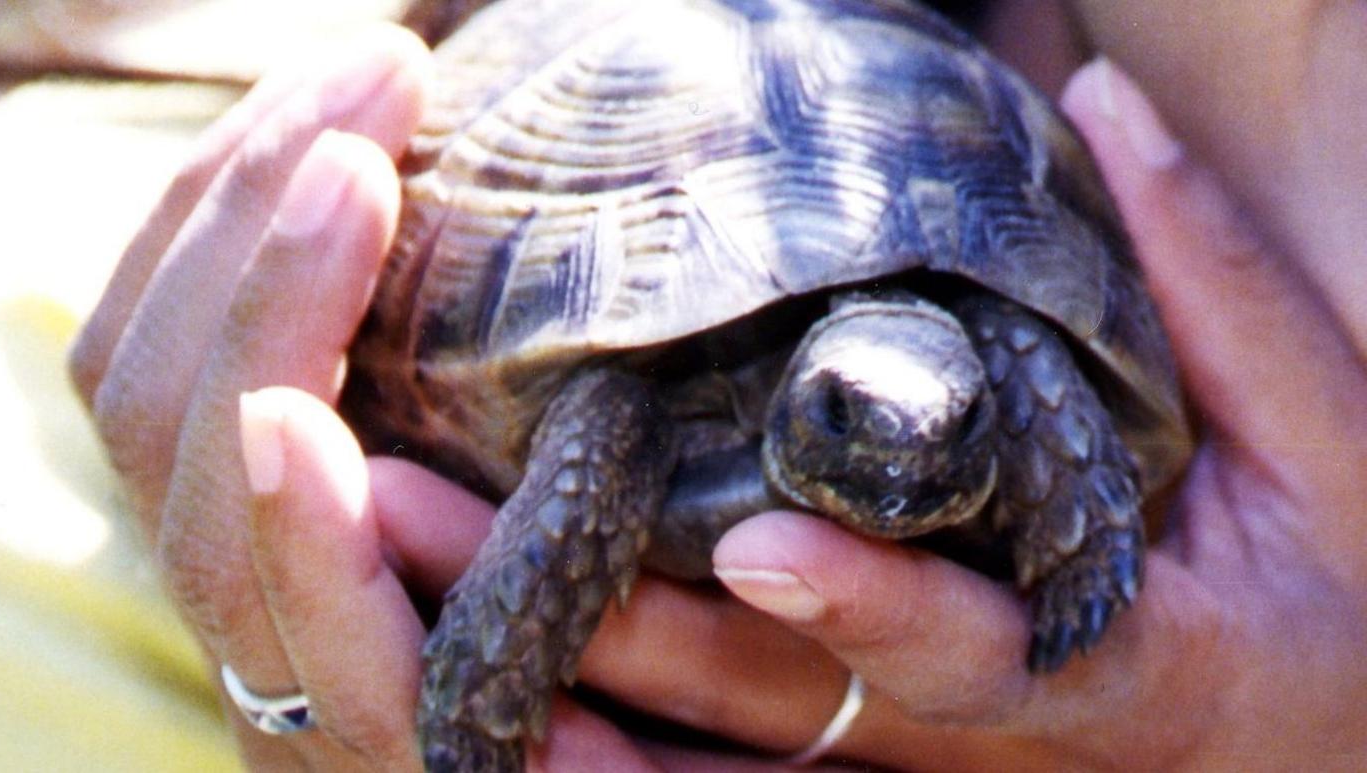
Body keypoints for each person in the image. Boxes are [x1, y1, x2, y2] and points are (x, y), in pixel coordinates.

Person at [69, 1, 1367, 769]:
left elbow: (1021, 358)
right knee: (599, 444)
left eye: (953, 421)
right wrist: (470, 701)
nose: (901, 462)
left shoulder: (1013, 338)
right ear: (806, 397)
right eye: (849, 419)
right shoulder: (627, 407)